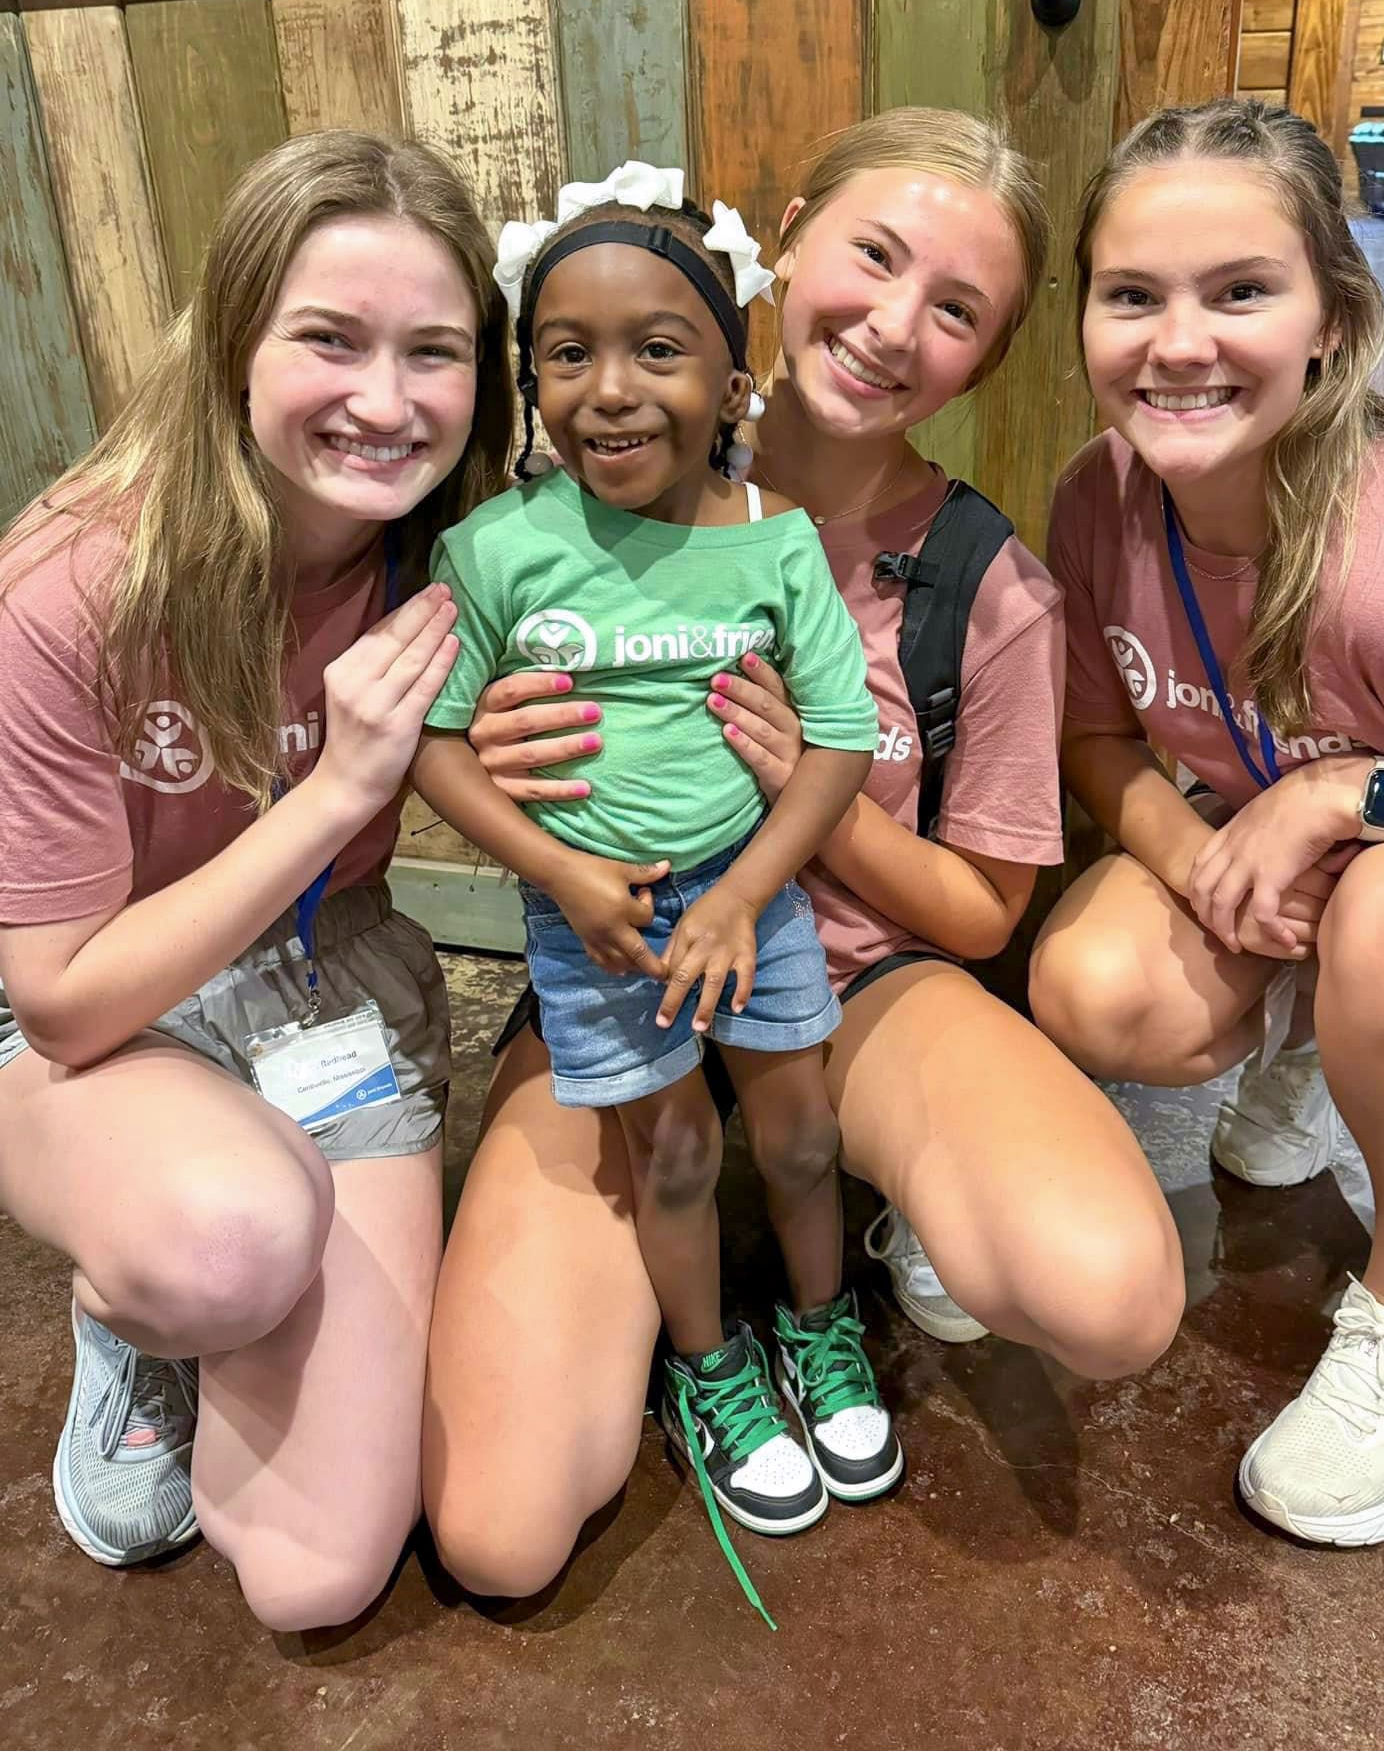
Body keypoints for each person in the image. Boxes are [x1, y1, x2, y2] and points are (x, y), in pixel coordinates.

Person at [422, 108, 1185, 1601]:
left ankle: (856, 1239)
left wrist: (811, 798)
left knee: (1108, 1295)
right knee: (501, 1528)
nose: (894, 325)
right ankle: (695, 1330)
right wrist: (505, 773)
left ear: (991, 353)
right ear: (786, 242)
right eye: (874, 257)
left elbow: (981, 915)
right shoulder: (559, 497)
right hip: (619, 964)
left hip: (860, 983)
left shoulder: (984, 586)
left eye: (957, 308)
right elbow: (430, 726)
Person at [0, 132, 512, 1628]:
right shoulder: (73, 589)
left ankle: (221, 1268)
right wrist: (343, 788)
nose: (386, 402)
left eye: (434, 352)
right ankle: (136, 1307)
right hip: (92, 1008)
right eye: (330, 340)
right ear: (235, 343)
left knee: (316, 1578)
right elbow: (64, 1000)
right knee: (226, 1242)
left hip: (324, 980)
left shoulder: (463, 555)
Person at [1029, 97, 1384, 1547]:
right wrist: (1205, 862)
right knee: (1095, 983)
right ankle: (1316, 1035)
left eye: (1241, 292)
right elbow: (1096, 734)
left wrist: (1347, 792)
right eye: (1133, 296)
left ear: (1333, 319)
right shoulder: (1101, 497)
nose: (1178, 345)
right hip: (1272, 827)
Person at [410, 167, 899, 1606]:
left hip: (755, 900)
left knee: (799, 1135)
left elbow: (840, 740)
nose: (611, 390)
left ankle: (821, 1326)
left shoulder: (776, 541)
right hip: (597, 925)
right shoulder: (493, 552)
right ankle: (710, 1366)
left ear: (734, 383)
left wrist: (746, 896)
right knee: (672, 1154)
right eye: (568, 354)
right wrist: (562, 876)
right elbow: (436, 744)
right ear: (530, 385)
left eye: (660, 350)